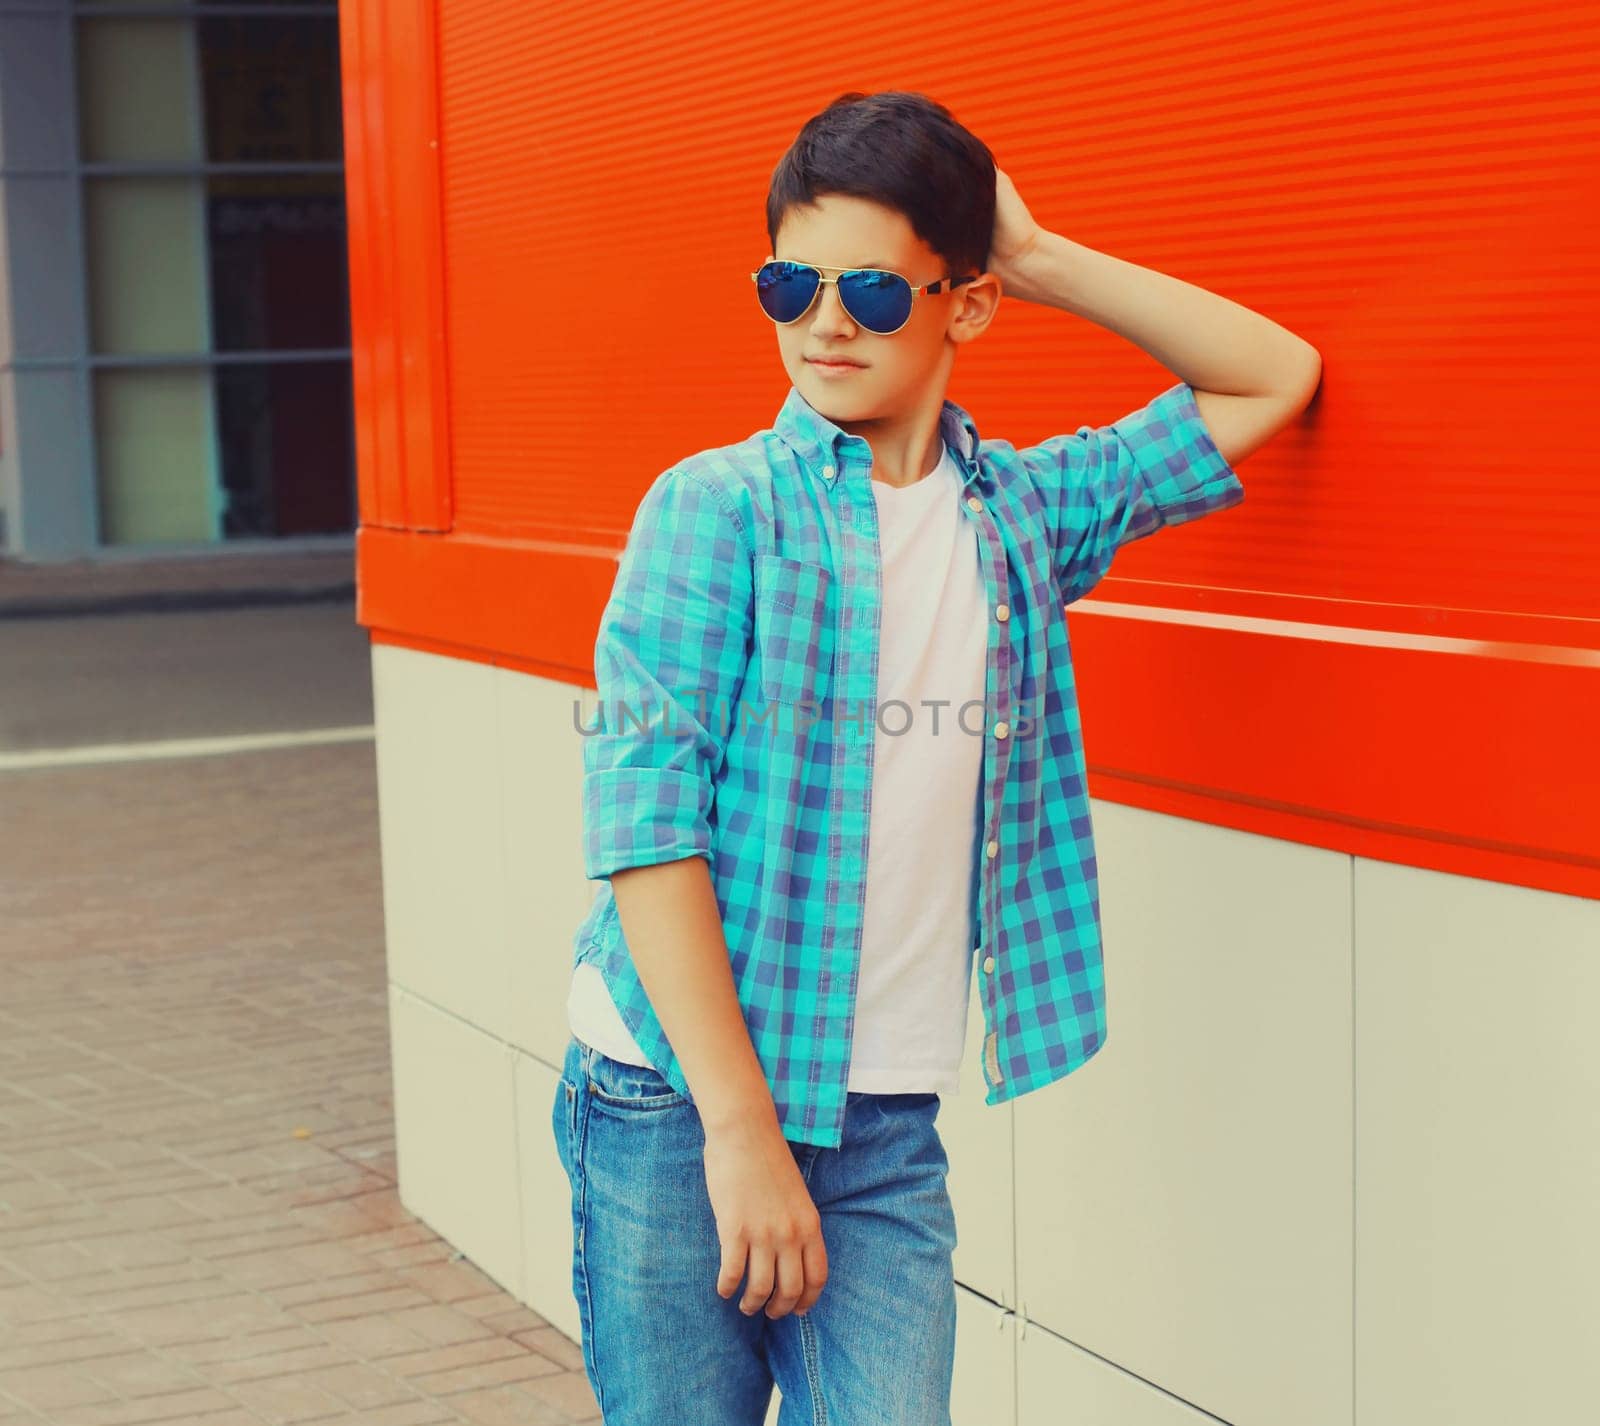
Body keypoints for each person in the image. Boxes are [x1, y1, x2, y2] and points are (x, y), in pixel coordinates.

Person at [552, 89, 1321, 1425]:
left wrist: (1038, 257)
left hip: (880, 1129)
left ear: (962, 304)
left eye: (875, 292)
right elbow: (647, 829)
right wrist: (739, 1132)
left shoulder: (1023, 512)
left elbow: (1271, 375)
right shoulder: (716, 511)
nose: (826, 324)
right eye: (790, 285)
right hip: (674, 1105)